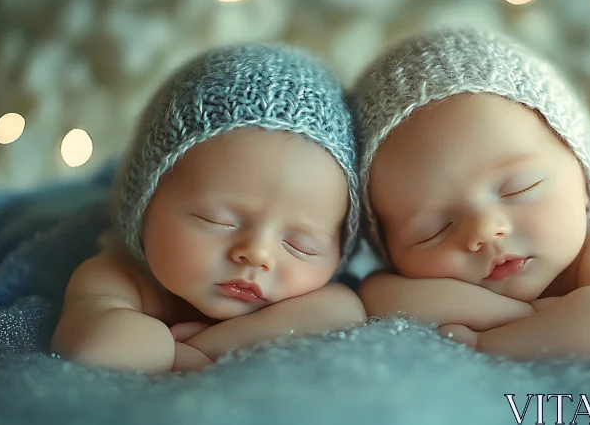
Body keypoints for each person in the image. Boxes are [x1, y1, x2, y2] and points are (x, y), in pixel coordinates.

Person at [352, 28, 590, 362]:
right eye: (433, 231)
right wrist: (524, 314)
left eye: (520, 188)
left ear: (584, 175)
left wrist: (487, 342)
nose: (484, 230)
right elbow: (377, 296)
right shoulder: (386, 278)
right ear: (388, 253)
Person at [52, 43, 365, 372]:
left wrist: (214, 344)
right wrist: (160, 347)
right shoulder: (120, 276)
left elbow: (344, 313)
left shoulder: (307, 295)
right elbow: (94, 344)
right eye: (217, 220)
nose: (257, 254)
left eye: (300, 245)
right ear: (143, 204)